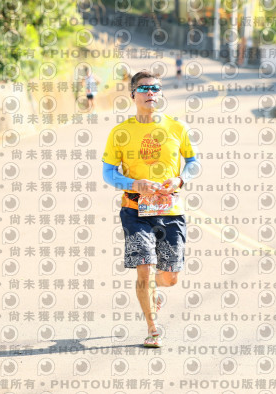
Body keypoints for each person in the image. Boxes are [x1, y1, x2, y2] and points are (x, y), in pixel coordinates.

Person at [101, 70, 199, 348]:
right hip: (135, 210)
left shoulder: (177, 127)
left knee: (169, 277)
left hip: (169, 210)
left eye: (155, 88)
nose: (151, 93)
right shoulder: (120, 132)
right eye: (144, 88)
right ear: (133, 94)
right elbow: (108, 173)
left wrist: (180, 179)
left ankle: (154, 289)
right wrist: (134, 183)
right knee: (144, 268)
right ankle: (152, 328)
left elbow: (194, 163)